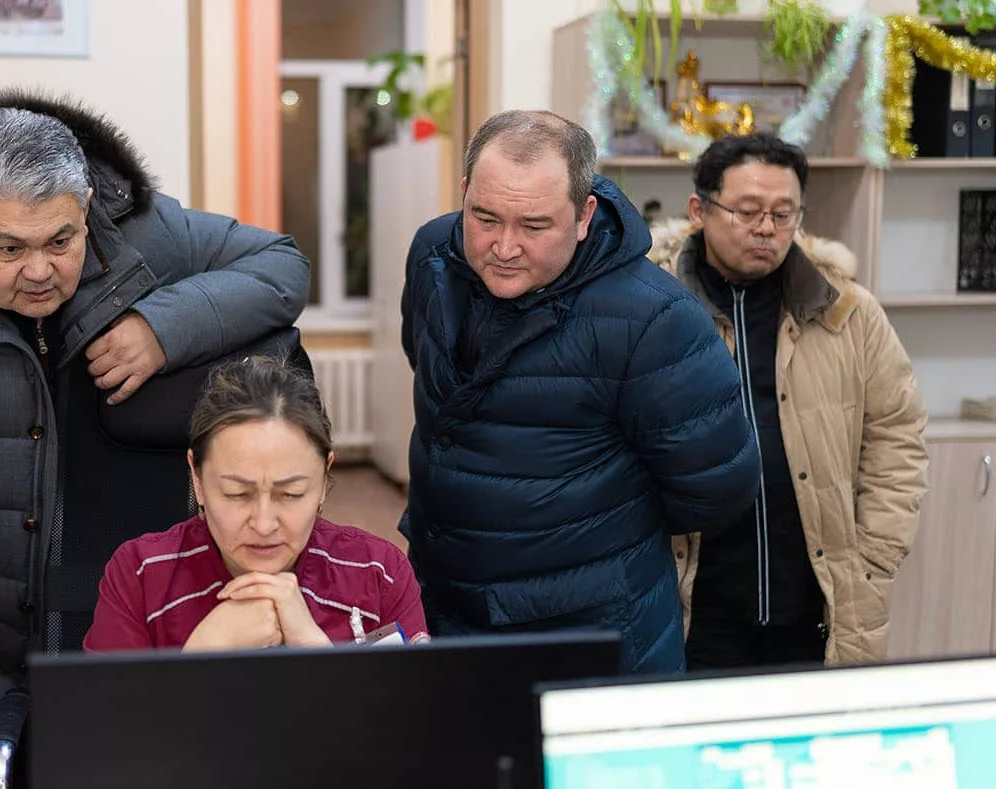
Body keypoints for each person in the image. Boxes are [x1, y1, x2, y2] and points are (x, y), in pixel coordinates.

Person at [0, 91, 309, 782]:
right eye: (9, 248)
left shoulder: (140, 229)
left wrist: (164, 327)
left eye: (60, 240)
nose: (39, 270)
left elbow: (281, 265)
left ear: (85, 208)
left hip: (127, 620)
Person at [398, 109, 761, 673]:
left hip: (585, 631)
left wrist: (590, 528)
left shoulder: (655, 319)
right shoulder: (432, 255)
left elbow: (718, 486)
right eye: (485, 217)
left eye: (534, 226)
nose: (504, 246)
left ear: (584, 215)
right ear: (465, 191)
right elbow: (423, 363)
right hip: (442, 601)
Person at [647, 133, 928, 669]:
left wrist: (874, 556)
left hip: (818, 601)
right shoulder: (651, 312)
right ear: (699, 211)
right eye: (747, 211)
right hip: (690, 602)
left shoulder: (846, 312)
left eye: (783, 214)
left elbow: (898, 435)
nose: (766, 229)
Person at [85, 355, 428, 652]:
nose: (264, 525)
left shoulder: (380, 574)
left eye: (291, 494)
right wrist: (203, 653)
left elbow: (408, 708)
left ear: (324, 479)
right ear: (197, 479)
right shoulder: (141, 575)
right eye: (237, 494)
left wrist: (315, 651)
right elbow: (105, 710)